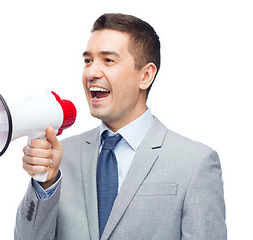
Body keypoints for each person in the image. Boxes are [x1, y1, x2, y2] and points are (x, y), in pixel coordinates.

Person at [14, 13, 226, 240]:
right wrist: (45, 182)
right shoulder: (61, 157)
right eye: (88, 61)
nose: (91, 73)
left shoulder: (195, 163)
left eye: (108, 60)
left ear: (145, 76)